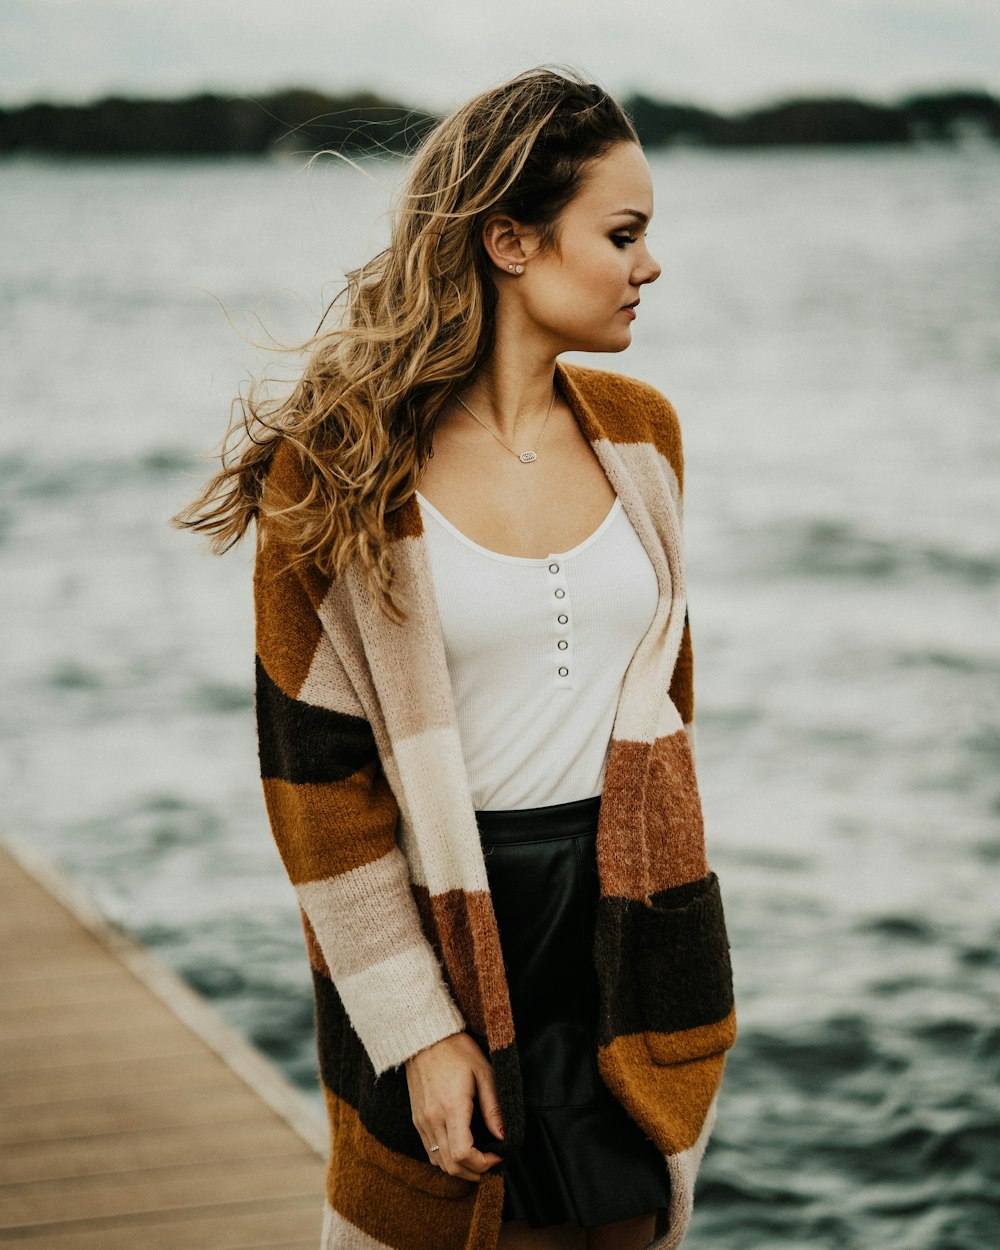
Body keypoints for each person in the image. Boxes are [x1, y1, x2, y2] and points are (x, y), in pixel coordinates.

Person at [174, 66, 736, 1250]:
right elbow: (314, 788)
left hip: (625, 920)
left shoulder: (645, 434)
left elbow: (663, 705)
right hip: (451, 916)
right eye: (622, 233)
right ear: (510, 242)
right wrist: (416, 1026)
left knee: (630, 1222)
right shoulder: (337, 465)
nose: (650, 264)